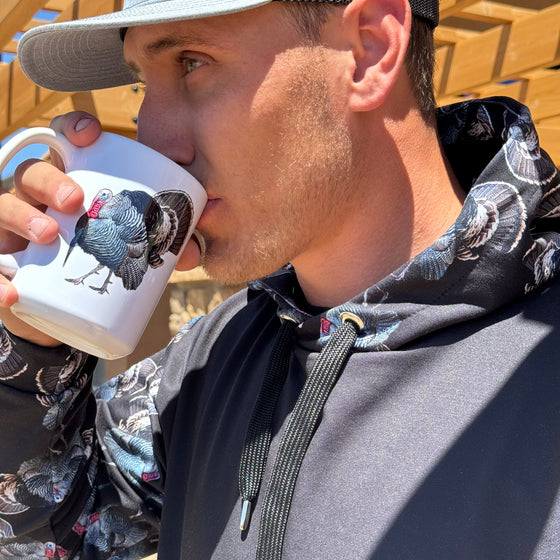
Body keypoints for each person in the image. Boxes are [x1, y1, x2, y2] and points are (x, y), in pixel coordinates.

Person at [0, 0, 559, 557]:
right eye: (143, 86)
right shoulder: (210, 357)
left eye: (193, 62)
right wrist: (34, 344)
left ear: (369, 49)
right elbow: (47, 535)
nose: (156, 141)